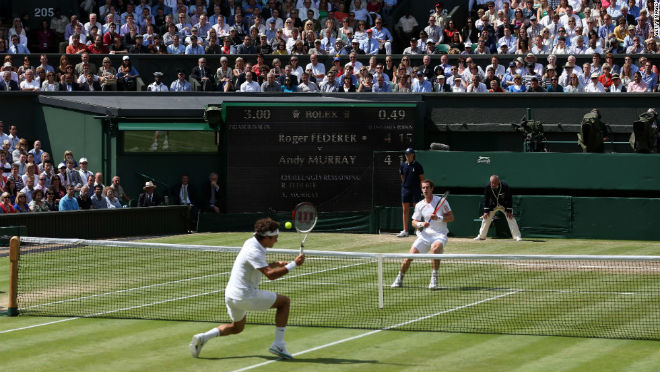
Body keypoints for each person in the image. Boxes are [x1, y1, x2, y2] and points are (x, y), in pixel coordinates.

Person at [189, 217, 305, 359]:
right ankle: (278, 344)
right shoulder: (255, 251)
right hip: (245, 296)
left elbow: (254, 265)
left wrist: (274, 263)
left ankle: (203, 337)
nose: (277, 240)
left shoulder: (252, 242)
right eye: (275, 238)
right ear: (266, 238)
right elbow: (270, 275)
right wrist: (293, 264)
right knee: (284, 302)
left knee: (237, 328)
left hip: (231, 295)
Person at [391, 179, 454, 289]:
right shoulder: (419, 205)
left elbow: (451, 217)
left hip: (440, 234)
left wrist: (438, 218)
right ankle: (399, 279)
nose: (425, 190)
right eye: (423, 188)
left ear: (431, 189)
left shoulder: (442, 201)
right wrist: (421, 224)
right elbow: (413, 222)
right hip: (425, 235)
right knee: (409, 257)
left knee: (435, 249)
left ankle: (434, 280)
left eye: (427, 188)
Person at [474, 175, 522, 241]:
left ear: (498, 181)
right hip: (492, 206)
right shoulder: (488, 186)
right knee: (486, 218)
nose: (492, 184)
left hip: (504, 206)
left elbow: (509, 198)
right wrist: (486, 211)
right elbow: (486, 199)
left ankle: (517, 236)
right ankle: (481, 236)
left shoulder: (505, 186)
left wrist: (509, 210)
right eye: (491, 182)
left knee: (511, 218)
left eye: (494, 183)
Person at [397, 148, 424, 238]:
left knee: (417, 210)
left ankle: (418, 230)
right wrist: (406, 185)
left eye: (409, 154)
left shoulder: (417, 165)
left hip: (415, 189)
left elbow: (422, 179)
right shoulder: (402, 165)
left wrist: (422, 189)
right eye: (406, 154)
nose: (407, 156)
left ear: (413, 155)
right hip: (405, 189)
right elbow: (402, 177)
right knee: (405, 210)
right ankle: (405, 230)